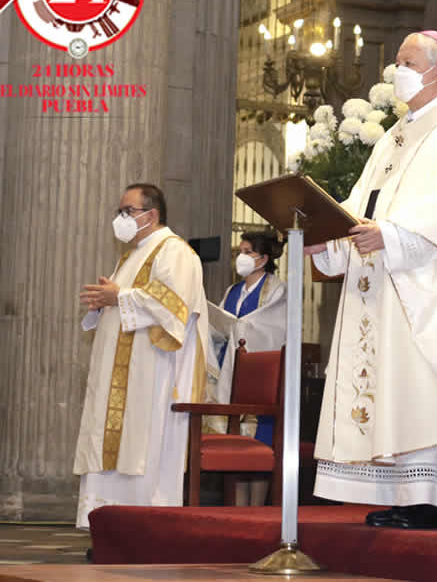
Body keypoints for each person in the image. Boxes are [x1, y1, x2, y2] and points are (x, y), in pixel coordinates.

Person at [304, 30, 437, 529]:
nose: (395, 72)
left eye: (405, 62)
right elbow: (361, 208)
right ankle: (408, 493)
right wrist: (329, 240)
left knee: (430, 386)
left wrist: (395, 236)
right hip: (385, 285)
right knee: (398, 391)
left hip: (434, 286)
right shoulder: (394, 136)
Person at [75, 183, 218, 528]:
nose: (120, 218)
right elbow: (126, 299)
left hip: (154, 373)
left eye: (128, 211)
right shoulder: (133, 254)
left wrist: (119, 297)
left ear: (151, 215)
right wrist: (105, 302)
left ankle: (143, 528)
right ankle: (110, 527)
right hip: (121, 373)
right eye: (119, 211)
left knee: (144, 447)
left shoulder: (175, 251)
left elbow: (173, 304)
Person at [209, 229, 286, 506]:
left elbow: (274, 326)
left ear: (263, 258)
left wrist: (241, 327)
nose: (240, 257)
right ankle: (239, 508)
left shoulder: (276, 288)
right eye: (239, 252)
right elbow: (220, 325)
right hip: (230, 368)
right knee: (236, 445)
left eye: (247, 252)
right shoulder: (233, 290)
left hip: (260, 375)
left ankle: (258, 508)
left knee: (259, 443)